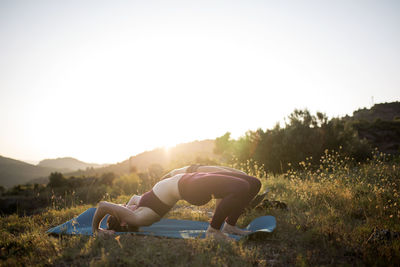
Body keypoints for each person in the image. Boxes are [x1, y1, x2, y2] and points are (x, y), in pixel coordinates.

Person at [92, 167, 261, 240]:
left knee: (254, 183)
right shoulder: (137, 217)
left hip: (189, 179)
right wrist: (96, 230)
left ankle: (230, 225)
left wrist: (127, 206)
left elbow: (134, 198)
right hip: (191, 188)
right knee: (241, 187)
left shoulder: (137, 205)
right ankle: (214, 230)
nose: (124, 205)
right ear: (123, 219)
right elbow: (103, 206)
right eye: (122, 208)